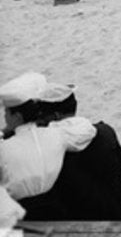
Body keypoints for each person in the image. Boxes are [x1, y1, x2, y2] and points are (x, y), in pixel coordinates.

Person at [0, 74, 97, 219]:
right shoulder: (57, 135)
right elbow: (86, 128)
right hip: (55, 208)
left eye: (7, 113)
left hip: (18, 214)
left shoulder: (5, 148)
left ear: (18, 116)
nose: (5, 117)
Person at [35, 81, 121, 221]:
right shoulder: (106, 132)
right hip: (117, 212)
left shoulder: (47, 150)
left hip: (79, 224)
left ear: (55, 115)